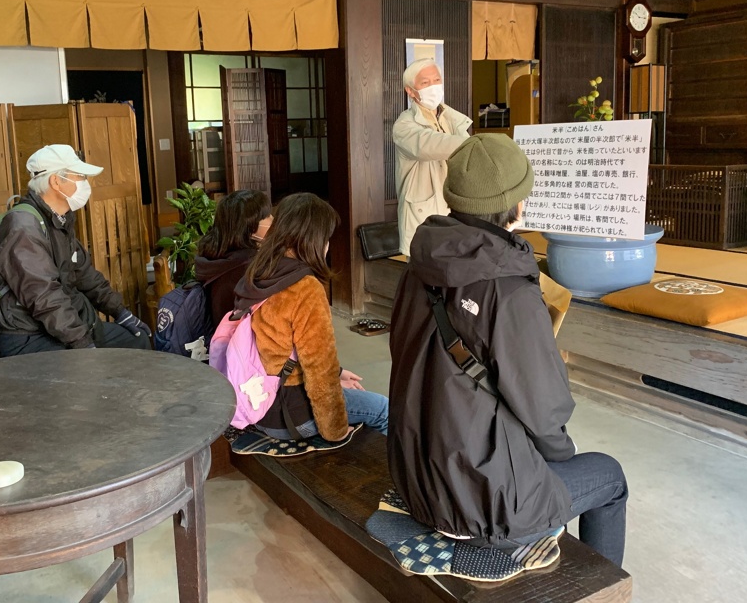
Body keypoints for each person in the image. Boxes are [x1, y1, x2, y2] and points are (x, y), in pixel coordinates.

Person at [388, 134, 627, 567]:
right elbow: (543, 404)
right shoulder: (508, 289)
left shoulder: (419, 262)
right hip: (484, 505)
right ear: (517, 205)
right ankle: (599, 587)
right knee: (608, 476)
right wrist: (558, 457)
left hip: (417, 478)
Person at [232, 192, 388, 441]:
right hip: (292, 416)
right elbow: (320, 370)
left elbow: (280, 348)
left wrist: (338, 373)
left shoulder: (260, 272)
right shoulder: (305, 288)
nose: (327, 245)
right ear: (313, 239)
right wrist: (335, 430)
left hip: (258, 404)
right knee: (383, 409)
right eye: (326, 237)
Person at [0, 144, 151, 356]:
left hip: (62, 325)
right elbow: (44, 297)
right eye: (80, 177)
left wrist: (120, 312)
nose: (85, 183)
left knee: (136, 341)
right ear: (56, 181)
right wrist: (82, 343)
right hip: (28, 336)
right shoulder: (23, 227)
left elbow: (84, 274)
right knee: (96, 368)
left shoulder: (59, 219)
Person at [392, 58, 471, 255]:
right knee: (425, 269)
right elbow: (431, 144)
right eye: (425, 83)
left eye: (436, 80)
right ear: (410, 91)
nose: (433, 87)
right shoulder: (404, 125)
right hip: (423, 217)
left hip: (455, 212)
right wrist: (477, 144)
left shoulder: (451, 118)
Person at [194, 189, 272, 329]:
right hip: (237, 340)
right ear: (249, 226)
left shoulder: (219, 260)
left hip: (218, 338)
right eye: (266, 216)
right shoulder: (247, 269)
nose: (272, 220)